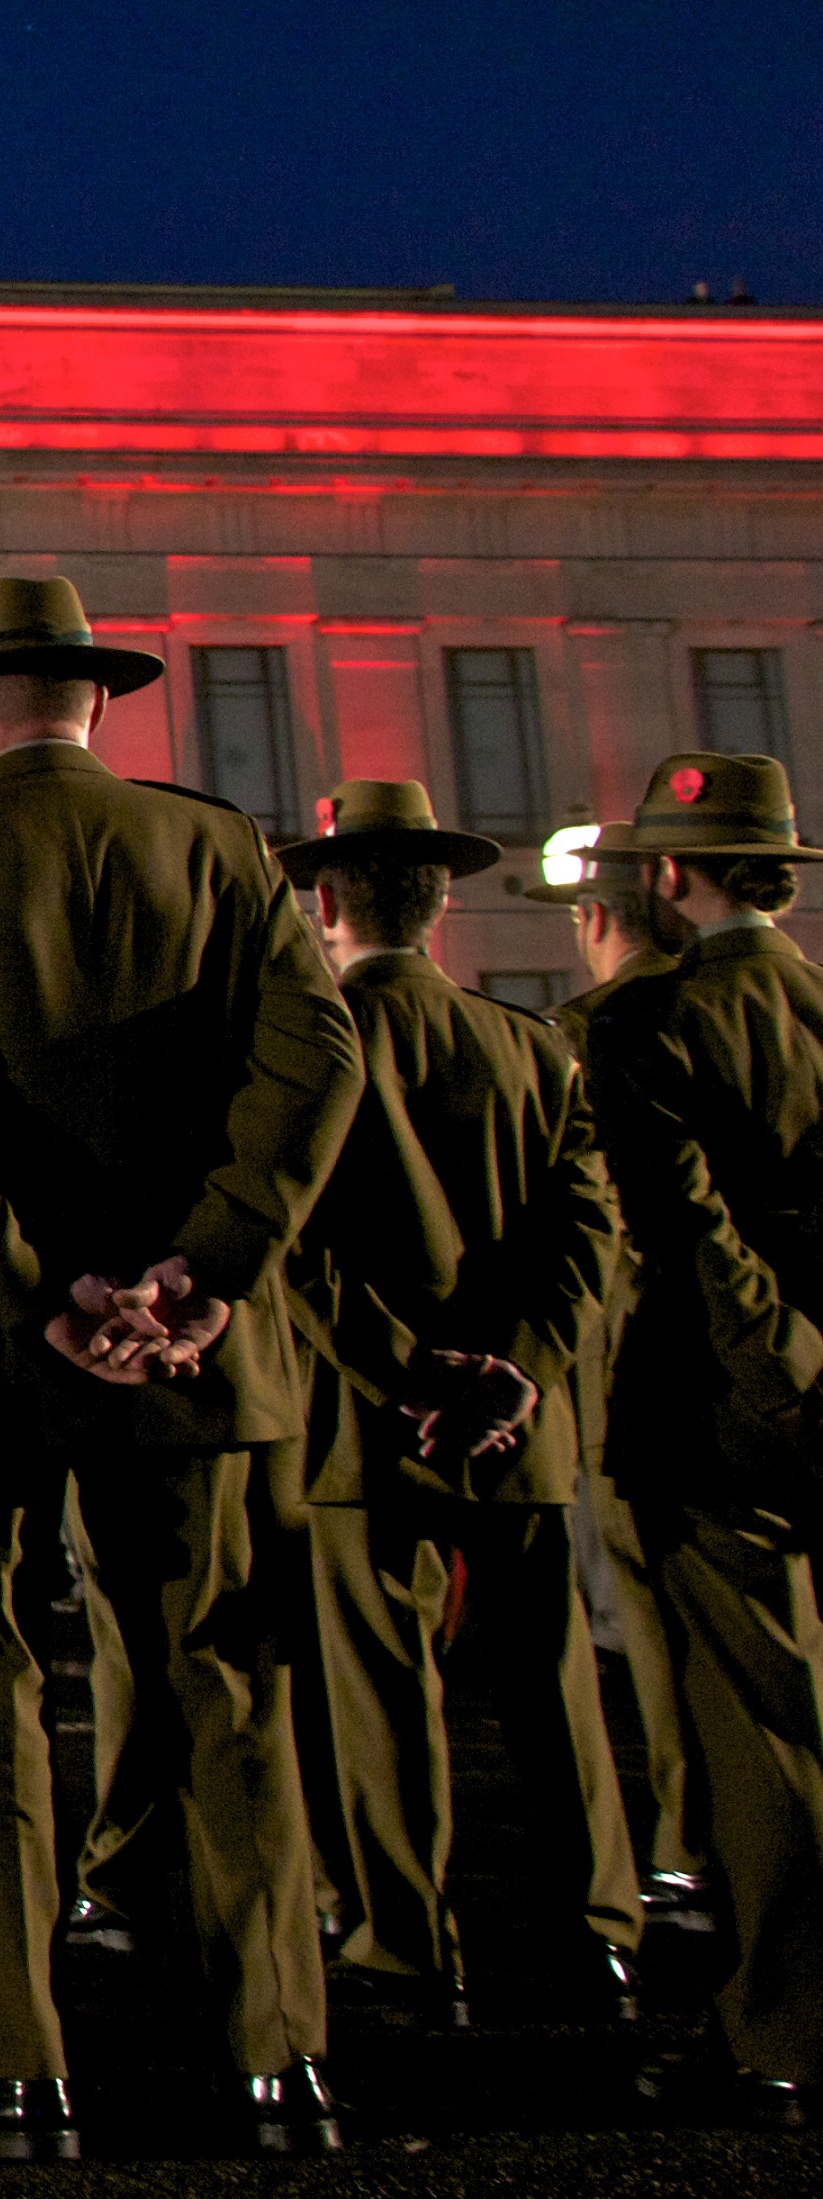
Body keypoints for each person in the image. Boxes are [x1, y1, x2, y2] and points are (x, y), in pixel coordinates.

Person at [0, 574, 362, 2162]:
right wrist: (202, 1267)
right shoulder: (219, 849)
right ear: (91, 702)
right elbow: (315, 1062)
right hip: (190, 1342)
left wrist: (29, 1285)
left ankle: (14, 2066)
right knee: (220, 1681)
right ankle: (274, 2059)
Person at [277, 776, 636, 2029]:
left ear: (324, 900)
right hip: (514, 1420)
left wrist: (403, 1370)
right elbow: (583, 1237)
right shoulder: (531, 1048)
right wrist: (516, 1369)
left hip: (361, 1425)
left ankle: (402, 1936)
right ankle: (593, 1927)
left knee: (377, 1694)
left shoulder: (307, 1044)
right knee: (551, 1692)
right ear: (437, 902)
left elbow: (295, 1245)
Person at [587, 750, 823, 2126]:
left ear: (667, 875)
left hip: (719, 1418)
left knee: (753, 1742)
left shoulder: (643, 1024)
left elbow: (686, 1236)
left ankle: (780, 2029)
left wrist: (781, 1379)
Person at [556, 828, 714, 1936]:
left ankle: (696, 1854)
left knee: (667, 1636)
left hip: (650, 1369)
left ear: (601, 916)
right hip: (776, 1363)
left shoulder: (609, 1032)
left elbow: (618, 1221)